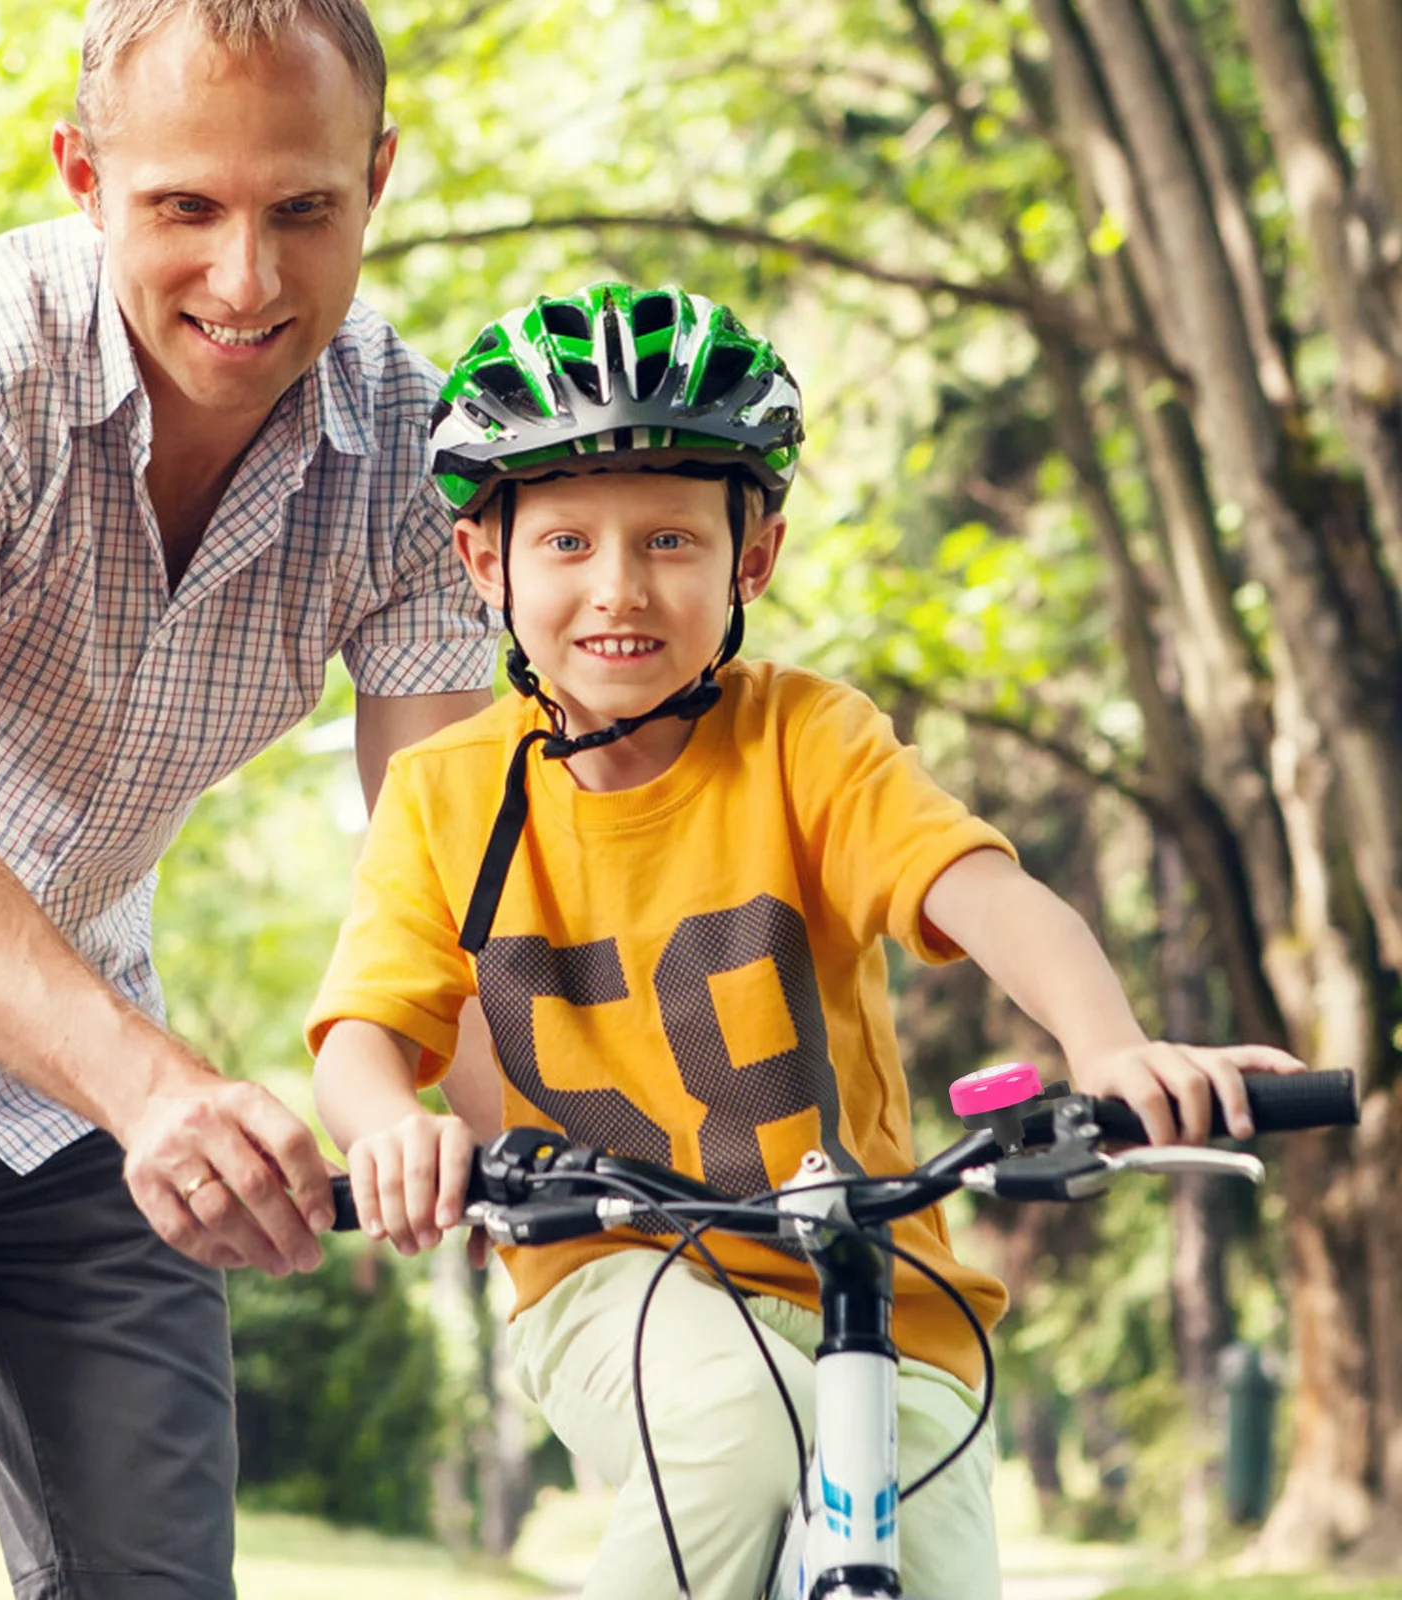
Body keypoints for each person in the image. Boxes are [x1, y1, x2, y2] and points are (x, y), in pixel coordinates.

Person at [304, 281, 1307, 1600]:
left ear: (751, 560)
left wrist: (1109, 1045)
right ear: (485, 563)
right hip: (616, 1278)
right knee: (731, 1434)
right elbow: (365, 1031)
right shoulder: (450, 794)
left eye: (670, 541)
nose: (620, 588)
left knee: (930, 1569)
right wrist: (391, 1130)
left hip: (883, 1296)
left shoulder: (807, 740)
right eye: (566, 547)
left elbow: (983, 891)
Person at [0, 1, 498, 1596]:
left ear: (378, 180)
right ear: (84, 176)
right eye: (185, 206)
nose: (245, 281)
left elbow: (441, 879)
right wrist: (165, 1094)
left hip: (56, 1081)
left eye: (302, 209)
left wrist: (614, 1181)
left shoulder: (416, 458)